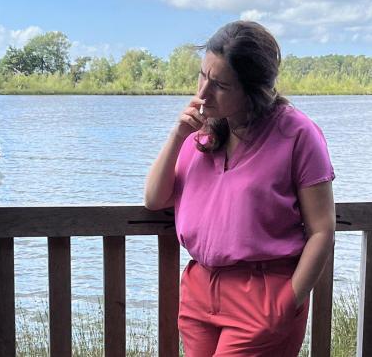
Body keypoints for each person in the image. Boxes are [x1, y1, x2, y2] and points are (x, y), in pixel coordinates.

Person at [144, 20, 335, 356]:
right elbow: (154, 198)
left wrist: (287, 300)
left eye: (220, 85)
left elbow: (322, 230)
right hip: (200, 292)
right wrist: (177, 136)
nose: (203, 93)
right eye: (203, 75)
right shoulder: (201, 132)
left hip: (262, 294)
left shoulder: (297, 134)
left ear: (252, 90)